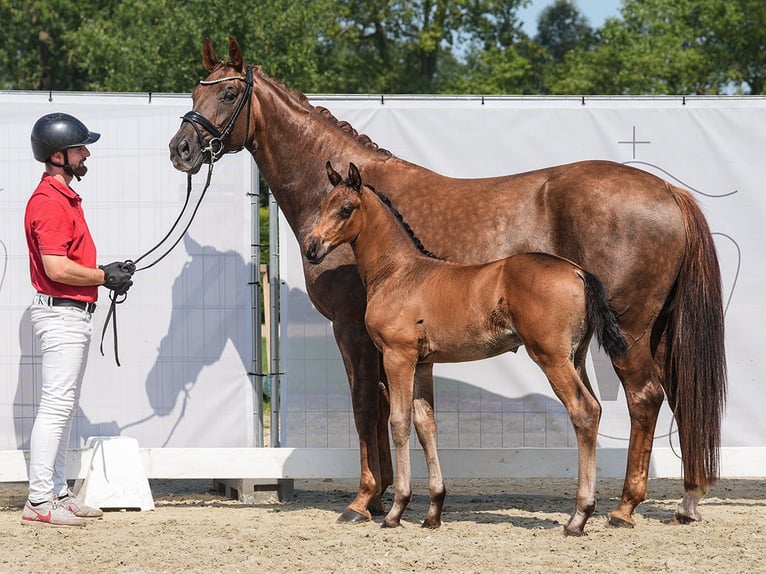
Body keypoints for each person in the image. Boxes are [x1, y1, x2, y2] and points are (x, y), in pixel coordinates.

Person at [21, 112, 135, 527]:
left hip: (73, 312)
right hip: (63, 314)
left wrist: (104, 271)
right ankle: (38, 501)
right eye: (80, 147)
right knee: (55, 406)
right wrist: (104, 276)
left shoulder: (64, 198)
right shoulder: (49, 203)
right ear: (58, 156)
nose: (86, 153)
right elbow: (55, 268)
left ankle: (56, 492)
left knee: (63, 406)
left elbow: (69, 263)